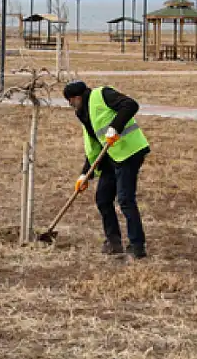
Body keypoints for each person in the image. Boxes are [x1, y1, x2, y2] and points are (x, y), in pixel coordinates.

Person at [63, 81, 151, 259]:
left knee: (125, 199)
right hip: (112, 156)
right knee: (103, 198)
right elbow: (94, 148)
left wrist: (115, 127)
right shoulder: (83, 114)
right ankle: (113, 242)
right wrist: (84, 174)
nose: (70, 105)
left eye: (70, 101)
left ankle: (137, 246)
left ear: (77, 98)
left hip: (130, 152)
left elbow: (131, 105)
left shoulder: (102, 95)